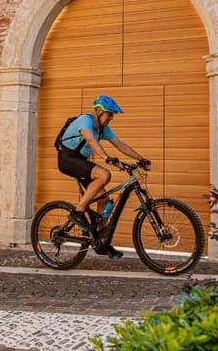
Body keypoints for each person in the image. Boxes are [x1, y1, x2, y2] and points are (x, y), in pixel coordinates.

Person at [56, 95, 150, 259]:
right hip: (67, 159)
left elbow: (120, 144)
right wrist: (107, 157)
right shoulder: (85, 121)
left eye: (113, 114)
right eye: (110, 114)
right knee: (104, 174)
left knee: (104, 203)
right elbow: (91, 141)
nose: (112, 118)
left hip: (81, 162)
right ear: (99, 111)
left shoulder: (103, 128)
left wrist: (140, 158)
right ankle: (78, 212)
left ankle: (100, 242)